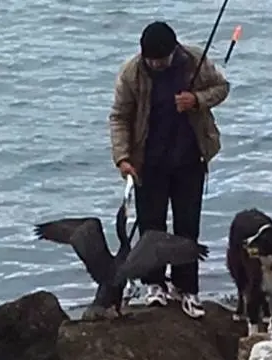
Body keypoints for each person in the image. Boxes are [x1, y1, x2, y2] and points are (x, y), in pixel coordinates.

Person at [108, 21, 230, 318]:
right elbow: (119, 117)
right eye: (152, 60)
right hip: (148, 163)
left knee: (187, 227)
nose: (157, 64)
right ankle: (154, 285)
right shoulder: (131, 73)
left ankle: (187, 289)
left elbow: (222, 87)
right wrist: (123, 158)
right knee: (152, 227)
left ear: (174, 50)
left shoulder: (192, 61)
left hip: (189, 159)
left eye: (162, 59)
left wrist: (196, 100)